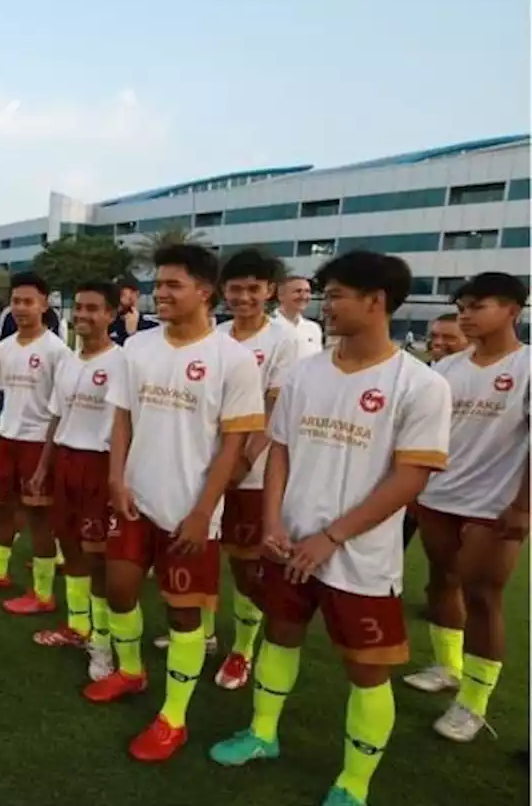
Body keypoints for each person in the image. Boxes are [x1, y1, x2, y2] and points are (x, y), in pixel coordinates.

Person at [209, 250, 451, 806]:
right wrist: (273, 520)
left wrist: (332, 536)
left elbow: (409, 478)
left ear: (376, 301)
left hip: (360, 559)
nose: (326, 304)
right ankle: (262, 734)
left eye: (337, 294)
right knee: (281, 634)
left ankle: (353, 784)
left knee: (367, 669)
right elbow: (281, 454)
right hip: (289, 542)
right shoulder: (305, 372)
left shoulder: (419, 385)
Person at [89, 244, 264, 766]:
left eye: (172, 285)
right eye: (157, 285)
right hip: (135, 499)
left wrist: (202, 509)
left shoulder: (232, 359)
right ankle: (130, 670)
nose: (159, 294)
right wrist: (117, 479)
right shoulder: (137, 349)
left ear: (204, 292)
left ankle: (174, 718)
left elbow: (235, 446)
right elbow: (122, 419)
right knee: (119, 588)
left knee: (183, 614)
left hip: (191, 510)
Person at [403, 272, 529, 743]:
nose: (466, 315)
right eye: (462, 307)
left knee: (482, 596)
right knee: (441, 580)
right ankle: (447, 665)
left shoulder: (526, 367)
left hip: (494, 505)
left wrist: (523, 507)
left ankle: (473, 703)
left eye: (478, 306)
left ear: (513, 310)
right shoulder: (447, 370)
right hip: (438, 497)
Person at [205, 248, 300, 691]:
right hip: (207, 465)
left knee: (246, 564)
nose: (243, 297)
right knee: (201, 550)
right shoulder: (216, 334)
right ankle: (202, 634)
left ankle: (243, 649)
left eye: (253, 289)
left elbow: (276, 407)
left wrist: (245, 459)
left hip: (254, 473)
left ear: (269, 291)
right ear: (223, 291)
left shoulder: (284, 341)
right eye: (236, 288)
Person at [28, 282, 126, 685]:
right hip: (65, 462)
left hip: (99, 465)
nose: (83, 315)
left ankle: (102, 642)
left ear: (111, 314)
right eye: (79, 307)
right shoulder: (68, 360)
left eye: (93, 308)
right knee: (69, 547)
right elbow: (56, 416)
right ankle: (78, 625)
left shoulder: (123, 362)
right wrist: (42, 466)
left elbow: (126, 425)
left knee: (98, 555)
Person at [0, 272, 71, 606]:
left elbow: (62, 407)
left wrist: (50, 455)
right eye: (16, 301)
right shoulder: (6, 347)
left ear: (44, 304)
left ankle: (42, 593)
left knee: (39, 518)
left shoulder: (57, 350)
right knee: (3, 508)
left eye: (29, 301)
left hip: (38, 443)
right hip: (7, 438)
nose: (21, 308)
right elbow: (2, 396)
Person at [402, 311, 471, 549]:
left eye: (449, 337)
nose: (439, 342)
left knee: (449, 569)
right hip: (409, 483)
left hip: (458, 491)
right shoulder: (413, 377)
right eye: (434, 336)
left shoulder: (483, 382)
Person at [275, 274, 325, 357]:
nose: (303, 296)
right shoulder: (267, 326)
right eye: (298, 291)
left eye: (307, 291)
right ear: (281, 296)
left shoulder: (313, 328)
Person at [109, 275, 159, 346]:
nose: (115, 299)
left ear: (135, 295)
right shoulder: (108, 324)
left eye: (121, 294)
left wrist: (132, 333)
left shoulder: (151, 326)